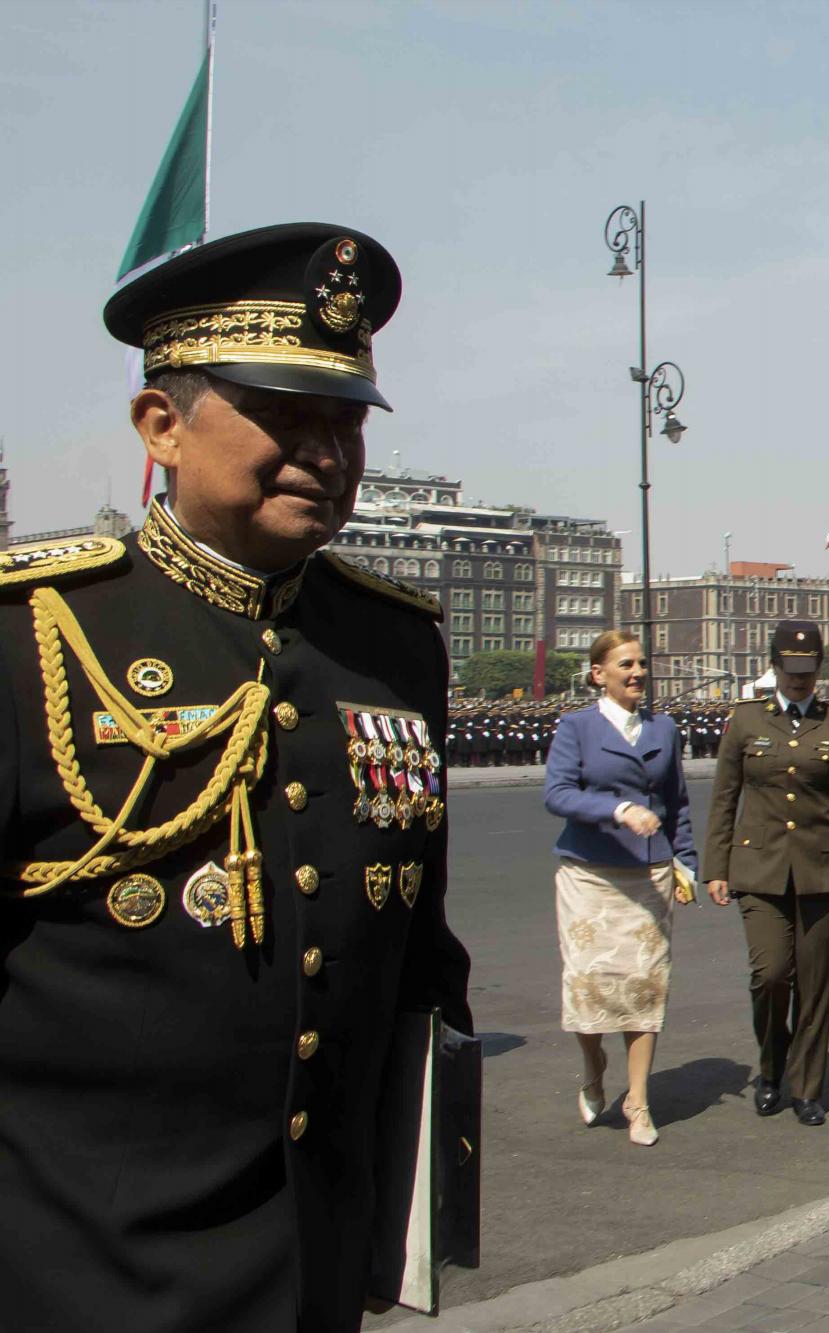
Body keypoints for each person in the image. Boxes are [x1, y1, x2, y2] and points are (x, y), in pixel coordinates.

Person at [0, 223, 473, 1330]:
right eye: (285, 414)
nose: (325, 450)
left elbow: (415, 966)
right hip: (78, 1269)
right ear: (160, 424)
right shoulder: (37, 633)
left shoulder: (393, 644)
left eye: (347, 420)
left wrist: (402, 1232)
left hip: (310, 1265)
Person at [704, 622, 829, 1126]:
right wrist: (715, 866)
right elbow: (724, 798)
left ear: (819, 668)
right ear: (775, 666)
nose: (800, 681)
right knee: (769, 976)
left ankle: (806, 1086)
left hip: (825, 869)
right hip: (758, 867)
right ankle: (770, 1068)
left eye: (808, 671)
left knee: (813, 983)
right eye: (791, 671)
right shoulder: (744, 722)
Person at [543, 629, 699, 1148]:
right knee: (588, 983)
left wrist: (687, 864)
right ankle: (593, 1062)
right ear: (598, 674)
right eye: (625, 665)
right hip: (589, 873)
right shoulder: (577, 727)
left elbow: (676, 803)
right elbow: (558, 793)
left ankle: (638, 1099)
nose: (636, 674)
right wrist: (616, 809)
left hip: (649, 872)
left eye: (641, 665)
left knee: (645, 985)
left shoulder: (665, 728)